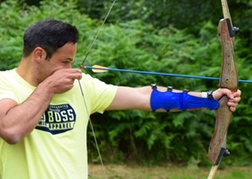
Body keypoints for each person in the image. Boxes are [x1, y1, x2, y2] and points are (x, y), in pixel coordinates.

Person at [0, 19, 241, 179]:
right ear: (39, 55)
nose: (70, 69)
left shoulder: (81, 87)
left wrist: (209, 99)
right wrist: (49, 87)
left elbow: (144, 97)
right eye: (65, 62)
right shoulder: (5, 83)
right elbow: (11, 129)